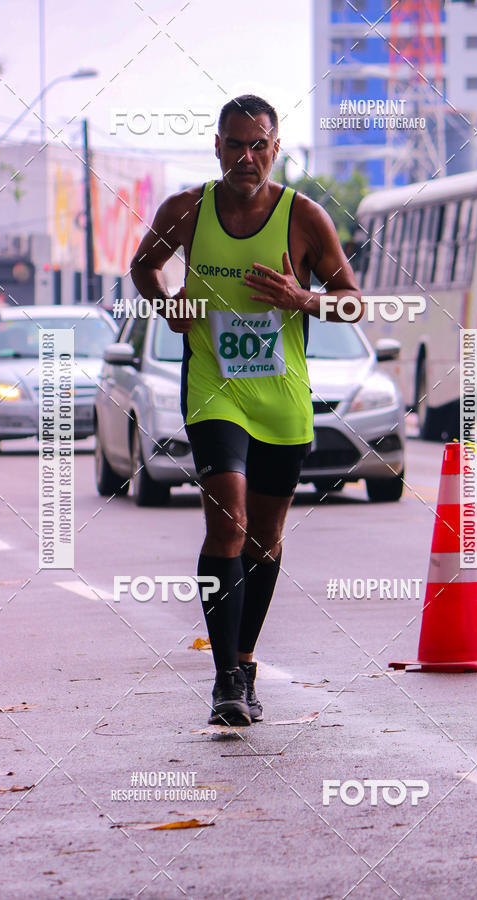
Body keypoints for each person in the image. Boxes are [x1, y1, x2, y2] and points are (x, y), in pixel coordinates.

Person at [131, 94, 362, 726]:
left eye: (259, 145)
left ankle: (246, 659)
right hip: (215, 387)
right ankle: (224, 677)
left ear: (275, 149)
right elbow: (143, 266)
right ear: (217, 147)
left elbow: (353, 303)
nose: (247, 157)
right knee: (226, 525)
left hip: (282, 393)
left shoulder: (304, 216)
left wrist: (302, 297)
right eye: (235, 144)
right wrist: (167, 304)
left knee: (264, 537)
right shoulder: (185, 210)